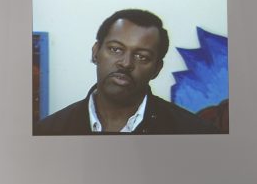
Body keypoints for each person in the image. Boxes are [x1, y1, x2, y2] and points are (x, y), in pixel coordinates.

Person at [34, 9, 219, 135]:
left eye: (142, 57)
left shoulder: (194, 131)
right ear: (95, 52)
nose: (126, 63)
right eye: (116, 49)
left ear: (157, 69)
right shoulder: (48, 130)